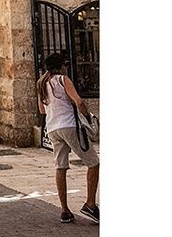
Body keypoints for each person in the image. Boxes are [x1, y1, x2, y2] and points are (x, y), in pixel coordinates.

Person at [38, 52, 99, 224]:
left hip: (52, 128)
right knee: (93, 163)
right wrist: (87, 116)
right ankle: (90, 203)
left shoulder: (41, 83)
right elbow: (79, 101)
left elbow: (42, 110)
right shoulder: (63, 80)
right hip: (69, 125)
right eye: (65, 64)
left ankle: (65, 210)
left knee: (61, 167)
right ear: (61, 66)